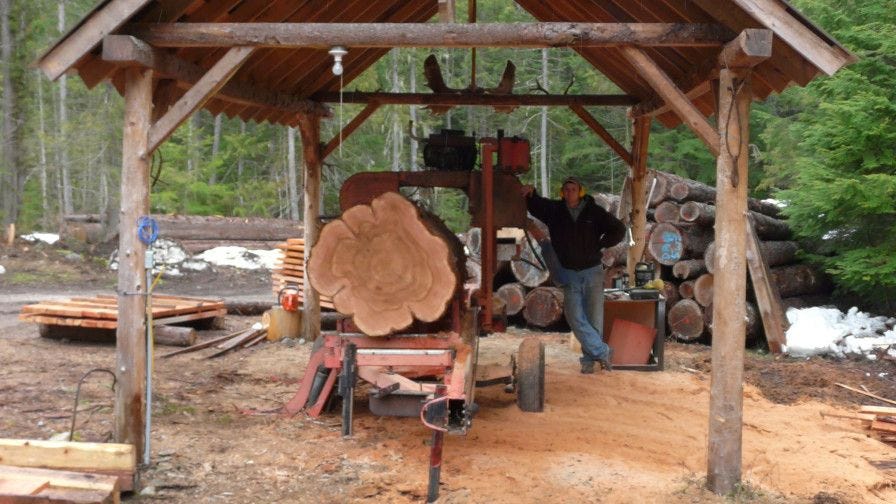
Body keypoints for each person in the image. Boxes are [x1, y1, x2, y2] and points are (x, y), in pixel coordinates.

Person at [521, 177, 625, 374]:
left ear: (580, 191)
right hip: (569, 273)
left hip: (593, 271)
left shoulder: (594, 212)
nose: (569, 192)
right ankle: (603, 352)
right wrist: (531, 191)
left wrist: (601, 243)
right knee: (575, 316)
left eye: (573, 189)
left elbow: (618, 229)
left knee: (594, 318)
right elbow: (536, 205)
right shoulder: (555, 211)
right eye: (566, 189)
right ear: (562, 192)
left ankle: (588, 361)